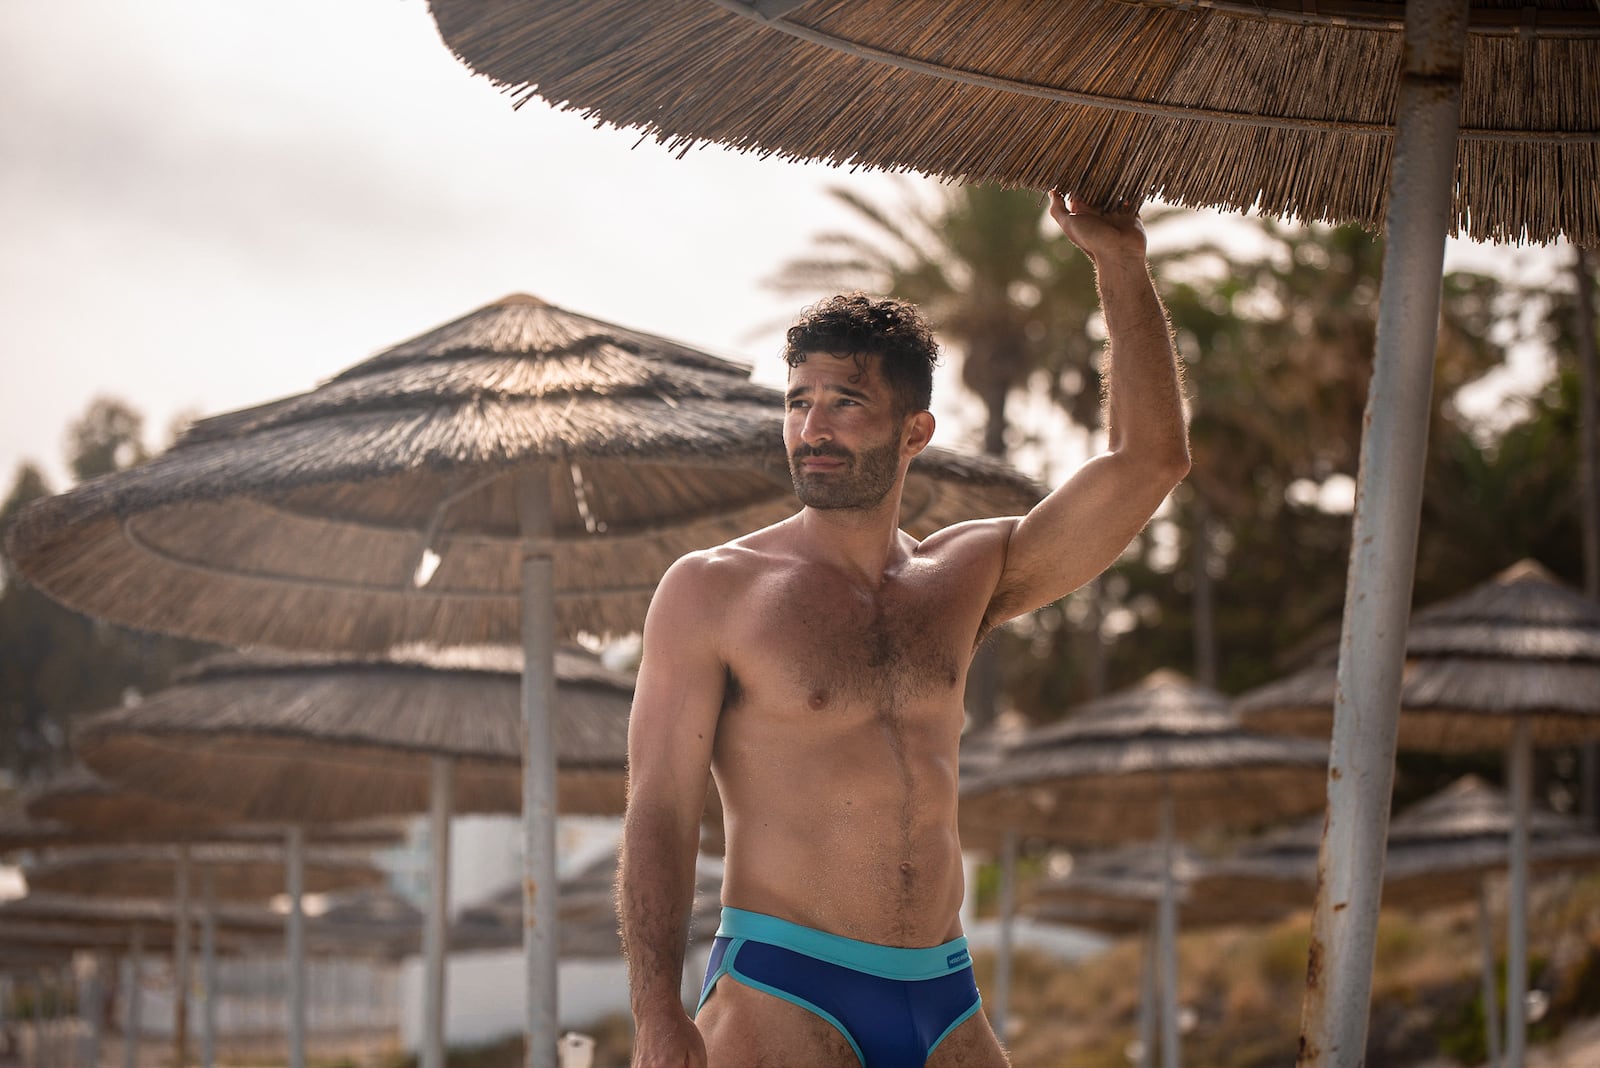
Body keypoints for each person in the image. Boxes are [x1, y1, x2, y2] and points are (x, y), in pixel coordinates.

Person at [619, 191, 1190, 1068]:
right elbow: (659, 807)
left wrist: (1119, 261)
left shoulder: (964, 579)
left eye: (845, 403)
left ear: (914, 429)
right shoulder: (713, 592)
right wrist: (658, 1010)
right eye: (798, 402)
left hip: (945, 992)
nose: (812, 428)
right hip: (786, 985)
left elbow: (1150, 460)